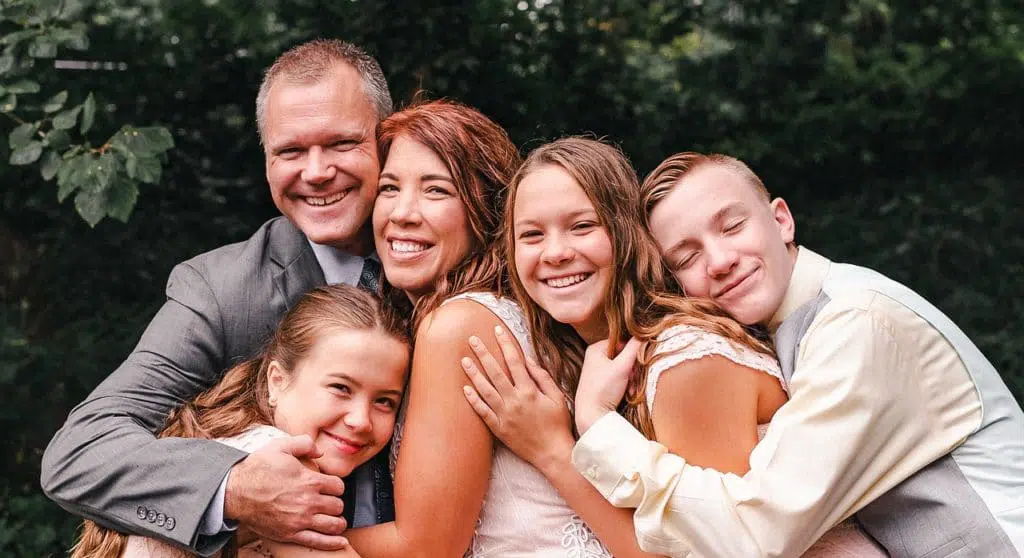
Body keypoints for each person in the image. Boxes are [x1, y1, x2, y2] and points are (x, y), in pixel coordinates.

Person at [565, 152, 1024, 556]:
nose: (720, 260)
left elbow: (757, 539)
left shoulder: (856, 322)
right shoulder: (773, 332)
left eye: (732, 226)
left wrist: (597, 424)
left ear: (781, 220)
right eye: (686, 257)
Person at [41, 39, 394, 556]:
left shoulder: (459, 258)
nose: (316, 171)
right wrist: (233, 489)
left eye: (341, 143)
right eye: (290, 151)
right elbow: (80, 452)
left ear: (387, 138)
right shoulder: (223, 288)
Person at [460, 137, 887, 557]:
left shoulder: (686, 358)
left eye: (582, 226)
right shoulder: (601, 362)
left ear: (629, 235)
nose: (554, 252)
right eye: (531, 235)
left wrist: (553, 451)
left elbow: (716, 553)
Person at [267, 99, 652, 558]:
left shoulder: (458, 325)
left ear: (485, 212)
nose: (404, 213)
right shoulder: (494, 311)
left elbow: (426, 549)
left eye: (436, 191)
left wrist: (264, 540)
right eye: (390, 188)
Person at [70, 285, 410, 558]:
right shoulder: (281, 463)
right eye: (340, 388)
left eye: (384, 401)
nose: (361, 420)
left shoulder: (231, 433)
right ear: (277, 380)